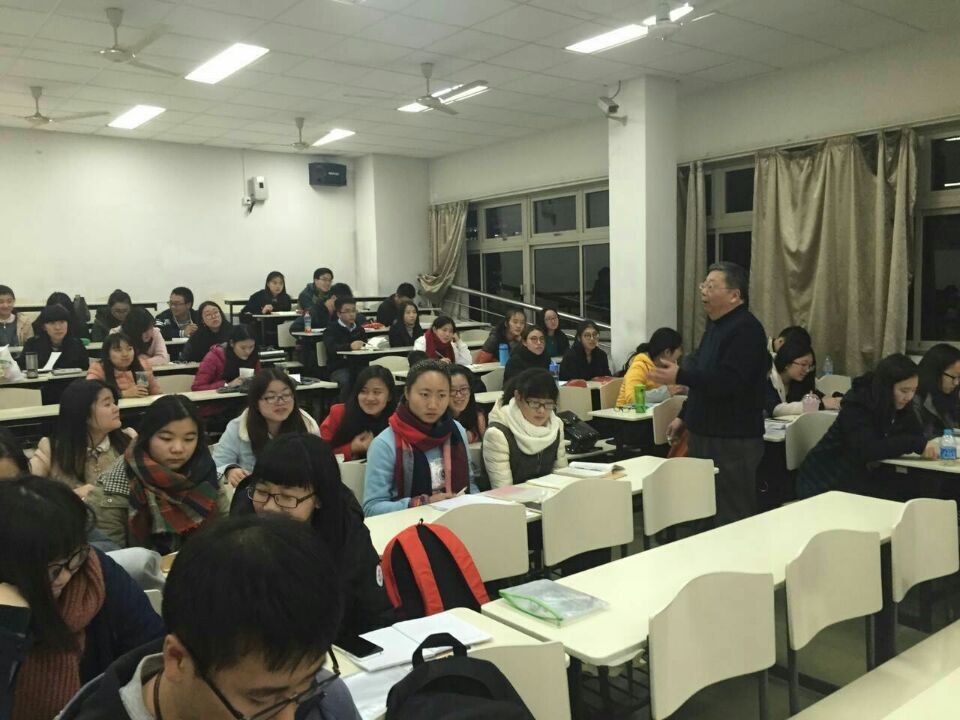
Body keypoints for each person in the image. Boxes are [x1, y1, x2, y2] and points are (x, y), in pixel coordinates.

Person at [50, 514, 360, 720]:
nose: (289, 716)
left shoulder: (318, 695)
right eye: (259, 701)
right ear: (176, 659)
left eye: (305, 685)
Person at [0, 476, 165, 720]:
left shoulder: (93, 571)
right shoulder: (7, 609)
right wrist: (8, 624)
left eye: (74, 558)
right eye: (52, 570)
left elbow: (152, 652)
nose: (65, 577)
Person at [231, 434, 392, 643]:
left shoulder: (346, 532)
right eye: (262, 492)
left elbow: (375, 613)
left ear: (319, 499)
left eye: (287, 497)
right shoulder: (240, 529)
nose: (269, 507)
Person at [650, 262, 771, 525]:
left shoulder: (746, 330)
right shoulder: (716, 326)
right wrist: (684, 417)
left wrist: (680, 376)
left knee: (731, 515)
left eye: (711, 286)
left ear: (735, 295)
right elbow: (702, 381)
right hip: (705, 434)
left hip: (733, 441)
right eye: (703, 285)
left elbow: (729, 382)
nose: (703, 291)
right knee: (702, 512)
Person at [87, 395, 227, 553]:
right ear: (147, 437)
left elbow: (228, 536)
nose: (178, 449)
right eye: (166, 439)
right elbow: (110, 557)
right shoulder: (113, 487)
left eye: (189, 439)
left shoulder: (206, 473)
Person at [797, 353, 939, 499]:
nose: (909, 397)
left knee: (916, 488)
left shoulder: (898, 403)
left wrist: (919, 443)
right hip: (825, 480)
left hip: (857, 477)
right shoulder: (857, 403)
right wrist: (914, 443)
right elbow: (867, 449)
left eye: (913, 390)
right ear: (887, 387)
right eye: (904, 391)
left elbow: (915, 434)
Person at [363, 360, 477, 516]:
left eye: (442, 395)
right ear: (407, 393)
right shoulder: (385, 444)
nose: (433, 405)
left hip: (457, 519)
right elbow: (372, 509)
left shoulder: (456, 431)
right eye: (424, 395)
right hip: (407, 526)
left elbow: (470, 485)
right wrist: (422, 504)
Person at [213, 368, 319, 486]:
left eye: (286, 395)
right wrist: (229, 471)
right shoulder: (238, 427)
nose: (280, 402)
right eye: (271, 397)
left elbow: (320, 466)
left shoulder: (307, 424)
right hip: (254, 493)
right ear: (256, 403)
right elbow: (216, 465)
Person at [30, 379, 134, 498]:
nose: (116, 408)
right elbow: (26, 490)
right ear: (83, 413)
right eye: (107, 404)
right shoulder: (52, 449)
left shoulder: (129, 441)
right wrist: (73, 495)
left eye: (114, 403)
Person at [481, 368, 568, 489]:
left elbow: (562, 477)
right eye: (534, 403)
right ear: (518, 397)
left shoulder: (556, 425)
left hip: (548, 496)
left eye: (548, 404)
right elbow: (503, 491)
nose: (541, 410)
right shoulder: (497, 434)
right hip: (509, 498)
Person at [320, 365, 396, 460]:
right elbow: (320, 454)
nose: (370, 398)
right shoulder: (339, 413)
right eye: (364, 391)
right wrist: (351, 448)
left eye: (376, 392)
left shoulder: (396, 420)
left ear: (389, 396)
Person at [765, 335, 841, 417]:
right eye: (803, 364)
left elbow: (819, 396)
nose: (807, 370)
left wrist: (836, 399)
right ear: (787, 362)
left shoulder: (800, 382)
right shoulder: (768, 376)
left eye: (810, 366)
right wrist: (819, 405)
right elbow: (775, 409)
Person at [617, 327, 686, 406]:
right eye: (675, 358)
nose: (676, 362)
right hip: (627, 412)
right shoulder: (639, 366)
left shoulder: (667, 367)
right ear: (667, 352)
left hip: (654, 411)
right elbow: (632, 398)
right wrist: (666, 392)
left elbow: (672, 392)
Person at [17, 304, 89, 372]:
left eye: (62, 322)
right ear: (44, 327)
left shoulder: (77, 344)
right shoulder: (32, 345)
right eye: (52, 323)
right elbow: (23, 369)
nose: (58, 327)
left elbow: (85, 369)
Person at [87, 332, 160, 397]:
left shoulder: (142, 365)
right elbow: (90, 393)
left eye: (129, 349)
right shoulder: (98, 369)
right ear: (107, 354)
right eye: (118, 350)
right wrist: (123, 394)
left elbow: (156, 393)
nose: (125, 354)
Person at [323, 296, 368, 401]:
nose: (351, 314)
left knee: (372, 377)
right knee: (348, 381)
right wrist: (350, 347)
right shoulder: (331, 329)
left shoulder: (360, 330)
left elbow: (365, 347)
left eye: (354, 311)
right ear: (339, 314)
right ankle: (345, 407)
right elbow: (332, 348)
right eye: (347, 311)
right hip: (338, 368)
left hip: (358, 366)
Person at [191, 325, 260, 391]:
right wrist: (226, 385)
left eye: (251, 347)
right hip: (218, 398)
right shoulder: (214, 357)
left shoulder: (253, 356)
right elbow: (197, 387)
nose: (248, 352)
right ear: (232, 343)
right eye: (243, 348)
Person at [914, 343, 960, 439]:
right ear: (935, 372)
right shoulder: (915, 398)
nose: (956, 383)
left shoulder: (950, 394)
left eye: (959, 377)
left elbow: (953, 428)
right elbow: (917, 439)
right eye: (953, 377)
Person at [448, 364, 487, 443]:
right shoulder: (435, 419)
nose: (459, 395)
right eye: (452, 390)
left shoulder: (478, 418)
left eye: (463, 389)